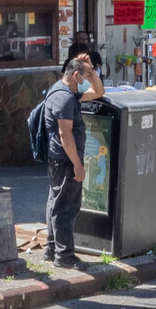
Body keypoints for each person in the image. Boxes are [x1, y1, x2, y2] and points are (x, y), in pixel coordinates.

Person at [42, 55, 106, 268]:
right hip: (65, 160)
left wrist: (93, 71)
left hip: (59, 159)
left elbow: (99, 92)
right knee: (66, 207)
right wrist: (78, 165)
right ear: (76, 75)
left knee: (56, 202)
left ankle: (52, 249)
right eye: (86, 76)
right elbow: (65, 134)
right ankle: (65, 256)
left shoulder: (67, 92)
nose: (89, 79)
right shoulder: (65, 99)